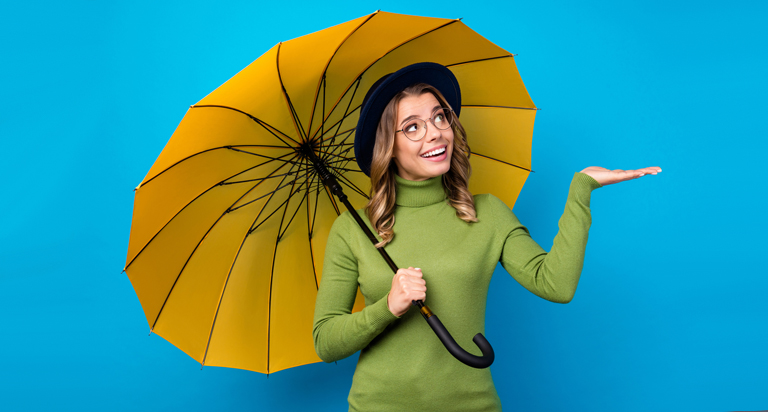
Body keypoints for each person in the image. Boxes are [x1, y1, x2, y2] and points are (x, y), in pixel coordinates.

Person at [313, 62, 660, 411]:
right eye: (412, 127)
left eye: (439, 117)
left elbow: (556, 285)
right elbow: (325, 342)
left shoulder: (487, 214)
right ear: (387, 146)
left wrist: (581, 189)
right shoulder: (353, 230)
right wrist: (387, 307)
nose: (435, 133)